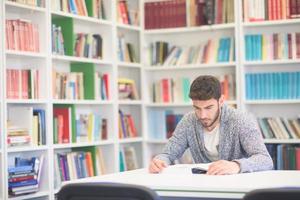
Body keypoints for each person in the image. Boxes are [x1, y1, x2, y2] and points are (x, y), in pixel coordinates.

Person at [149, 75, 273, 175]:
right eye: (197, 108)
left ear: (221, 101)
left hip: (237, 187)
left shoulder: (240, 120)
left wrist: (236, 165)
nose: (202, 115)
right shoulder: (189, 121)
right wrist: (160, 161)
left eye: (209, 108)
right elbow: (168, 153)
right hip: (203, 187)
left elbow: (265, 160)